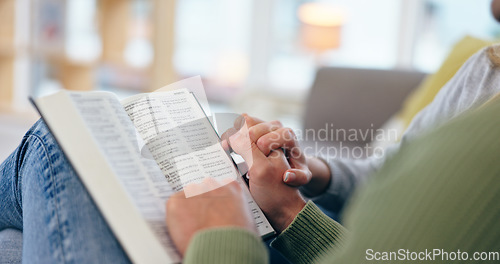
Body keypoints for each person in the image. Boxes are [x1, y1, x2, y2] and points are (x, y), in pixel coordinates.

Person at [1, 1, 500, 263]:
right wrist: (309, 176)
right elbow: (394, 176)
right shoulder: (486, 69)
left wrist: (235, 228)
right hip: (317, 226)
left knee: (55, 149)